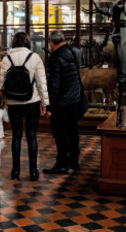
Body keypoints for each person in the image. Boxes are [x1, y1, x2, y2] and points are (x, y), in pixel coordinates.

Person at [0, 32, 48, 181]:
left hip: (13, 103)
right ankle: (33, 171)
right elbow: (41, 83)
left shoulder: (7, 59)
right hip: (32, 102)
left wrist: (1, 101)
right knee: (32, 136)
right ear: (27, 42)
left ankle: (15, 171)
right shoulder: (35, 57)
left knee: (16, 136)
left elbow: (1, 83)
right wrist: (45, 104)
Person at [44, 30, 82, 175]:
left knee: (59, 133)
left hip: (62, 102)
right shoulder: (74, 52)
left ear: (51, 43)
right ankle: (73, 160)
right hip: (74, 99)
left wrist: (50, 106)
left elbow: (54, 84)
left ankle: (61, 164)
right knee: (73, 130)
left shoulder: (55, 58)